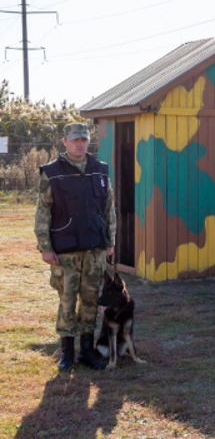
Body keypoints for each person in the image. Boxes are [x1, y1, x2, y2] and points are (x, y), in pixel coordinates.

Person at [35, 123, 115, 371]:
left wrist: (110, 241)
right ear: (65, 141)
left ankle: (87, 352)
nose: (80, 143)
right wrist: (45, 247)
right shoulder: (52, 172)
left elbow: (109, 208)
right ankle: (67, 354)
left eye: (84, 138)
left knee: (91, 300)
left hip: (95, 248)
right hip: (65, 250)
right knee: (68, 301)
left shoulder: (99, 170)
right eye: (75, 139)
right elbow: (42, 212)